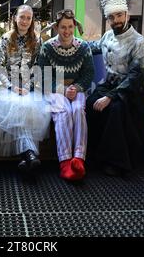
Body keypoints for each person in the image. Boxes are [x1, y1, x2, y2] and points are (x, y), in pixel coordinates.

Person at [85, 0, 144, 177]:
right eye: (111, 17)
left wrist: (110, 97)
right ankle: (92, 156)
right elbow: (92, 47)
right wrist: (69, 43)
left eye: (119, 16)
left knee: (115, 109)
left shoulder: (139, 42)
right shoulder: (107, 35)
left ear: (127, 15)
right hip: (109, 84)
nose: (115, 20)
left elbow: (135, 77)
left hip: (132, 91)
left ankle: (115, 162)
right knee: (90, 103)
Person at [0, 5, 51, 172]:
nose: (25, 21)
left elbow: (38, 66)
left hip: (29, 86)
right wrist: (12, 86)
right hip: (8, 85)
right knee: (16, 105)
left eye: (28, 18)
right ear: (15, 18)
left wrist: (27, 86)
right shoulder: (6, 38)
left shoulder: (37, 39)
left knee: (29, 106)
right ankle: (29, 155)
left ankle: (26, 158)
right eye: (22, 17)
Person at [37, 9, 94, 181]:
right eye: (63, 27)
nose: (67, 31)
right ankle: (65, 161)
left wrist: (76, 88)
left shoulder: (83, 47)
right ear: (56, 28)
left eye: (70, 27)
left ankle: (79, 158)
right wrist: (62, 89)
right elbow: (44, 75)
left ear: (74, 26)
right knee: (63, 111)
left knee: (77, 110)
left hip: (77, 89)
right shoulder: (47, 48)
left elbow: (89, 74)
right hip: (55, 89)